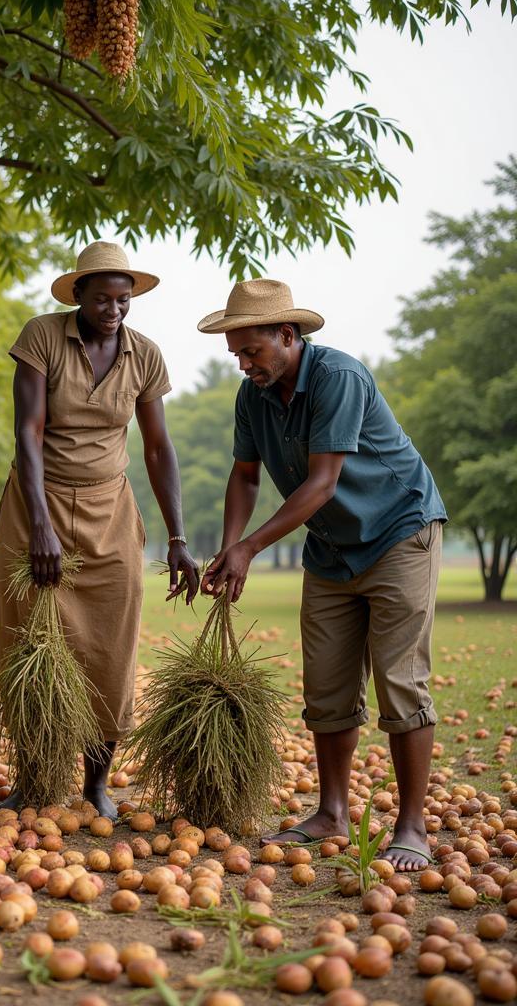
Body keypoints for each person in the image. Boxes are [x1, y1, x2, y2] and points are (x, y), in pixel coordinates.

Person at [198, 278, 447, 871]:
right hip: (332, 547)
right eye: (235, 353)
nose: (243, 364)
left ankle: (411, 826)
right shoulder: (252, 397)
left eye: (251, 351)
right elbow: (245, 476)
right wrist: (230, 546)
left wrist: (252, 547)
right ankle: (332, 811)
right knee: (327, 685)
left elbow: (322, 481)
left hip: (398, 533)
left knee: (400, 680)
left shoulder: (339, 377)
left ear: (288, 336)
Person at [0, 241, 200, 819]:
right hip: (37, 503)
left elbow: (157, 449)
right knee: (29, 642)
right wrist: (40, 527)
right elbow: (27, 432)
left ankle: (95, 785)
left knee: (110, 644)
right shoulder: (42, 337)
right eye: (102, 297)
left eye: (124, 299)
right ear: (76, 294)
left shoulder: (145, 356)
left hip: (111, 510)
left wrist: (177, 538)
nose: (114, 309)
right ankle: (33, 778)